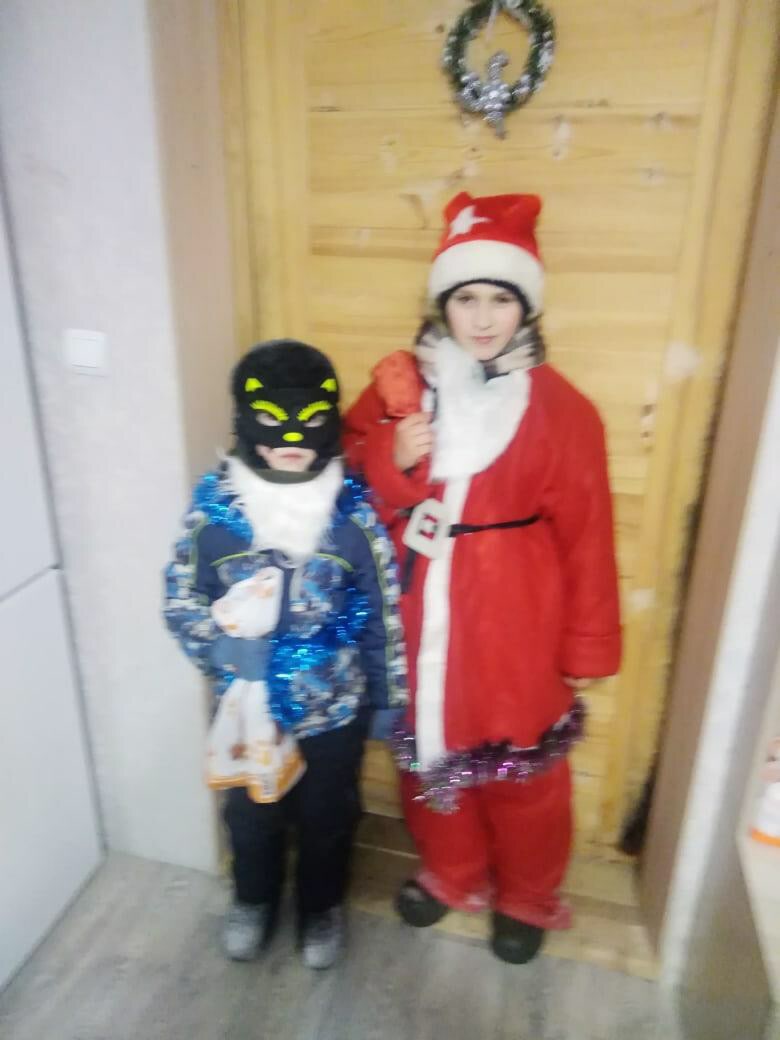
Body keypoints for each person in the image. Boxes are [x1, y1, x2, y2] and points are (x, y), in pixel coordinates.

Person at [343, 192, 621, 964]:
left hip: (514, 619)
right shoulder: (400, 390)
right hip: (417, 608)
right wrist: (392, 458)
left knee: (521, 770)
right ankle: (452, 870)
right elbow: (350, 476)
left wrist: (586, 645)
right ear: (444, 303)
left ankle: (527, 893)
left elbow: (589, 537)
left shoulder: (564, 412)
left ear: (526, 305)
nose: (484, 317)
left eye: (501, 299)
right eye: (467, 298)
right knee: (426, 754)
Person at [163, 339, 407, 969]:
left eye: (309, 419)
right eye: (274, 420)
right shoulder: (215, 515)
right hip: (248, 710)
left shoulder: (352, 520)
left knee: (329, 814)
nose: (292, 437)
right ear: (247, 423)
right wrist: (220, 646)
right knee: (251, 813)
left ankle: (321, 906)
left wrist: (387, 700)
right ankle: (254, 898)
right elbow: (180, 596)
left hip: (334, 707)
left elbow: (383, 613)